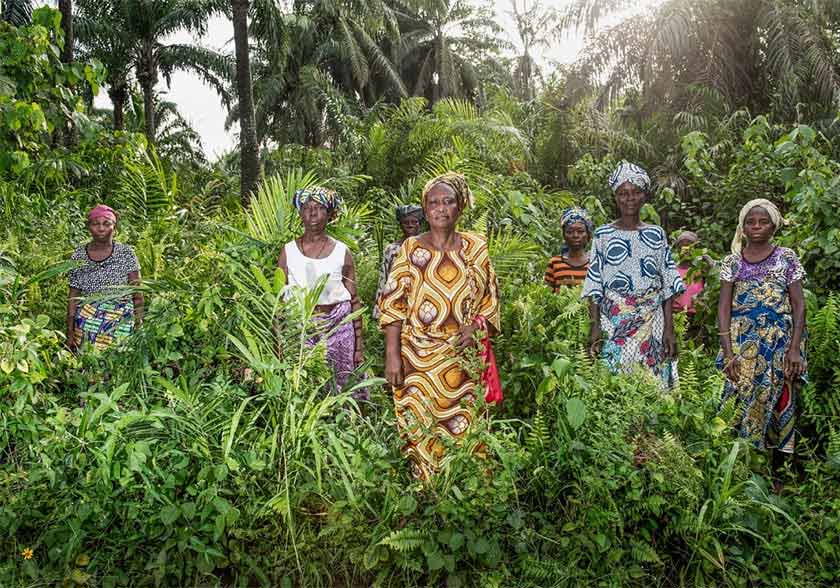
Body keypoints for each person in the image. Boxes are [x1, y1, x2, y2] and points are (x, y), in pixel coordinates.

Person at [379, 172, 500, 481]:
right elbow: (393, 304)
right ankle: (427, 492)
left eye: (448, 201)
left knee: (466, 428)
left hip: (464, 358)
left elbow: (490, 299)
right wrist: (392, 354)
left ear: (460, 206)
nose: (440, 208)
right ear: (425, 207)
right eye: (433, 202)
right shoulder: (409, 249)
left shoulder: (476, 247)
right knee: (420, 426)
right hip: (417, 357)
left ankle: (464, 491)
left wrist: (475, 327)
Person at [717, 199, 806, 491]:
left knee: (782, 401)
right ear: (742, 227)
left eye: (763, 222)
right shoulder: (733, 261)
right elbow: (724, 308)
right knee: (739, 401)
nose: (756, 227)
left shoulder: (786, 258)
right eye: (750, 222)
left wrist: (794, 349)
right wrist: (728, 352)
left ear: (774, 225)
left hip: (780, 344)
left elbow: (798, 305)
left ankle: (780, 475)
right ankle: (741, 468)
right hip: (744, 345)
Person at [582, 162, 685, 389]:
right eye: (623, 193)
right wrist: (595, 325)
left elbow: (667, 283)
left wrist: (669, 329)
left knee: (654, 381)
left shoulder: (656, 234)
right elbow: (594, 284)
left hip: (653, 319)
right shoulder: (602, 235)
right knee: (615, 380)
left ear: (644, 196)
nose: (630, 199)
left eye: (636, 192)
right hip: (614, 320)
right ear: (616, 197)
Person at [277, 187, 365, 398]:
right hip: (300, 328)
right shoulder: (288, 251)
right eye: (307, 208)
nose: (312, 213)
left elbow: (354, 299)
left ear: (329, 214)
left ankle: (347, 426)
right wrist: (279, 342)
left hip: (339, 326)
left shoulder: (342, 252)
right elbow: (279, 301)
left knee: (344, 385)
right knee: (304, 388)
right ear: (300, 214)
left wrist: (359, 347)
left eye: (318, 208)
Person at [67, 204, 143, 352]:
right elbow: (73, 296)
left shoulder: (126, 253)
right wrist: (69, 332)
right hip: (88, 315)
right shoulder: (79, 255)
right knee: (88, 361)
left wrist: (139, 324)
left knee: (118, 359)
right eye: (96, 224)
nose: (101, 228)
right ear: (89, 227)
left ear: (114, 227)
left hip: (120, 315)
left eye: (107, 224)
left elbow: (137, 293)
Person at [373, 204, 424, 319]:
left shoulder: (428, 248)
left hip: (421, 305)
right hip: (396, 303)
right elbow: (383, 278)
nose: (410, 225)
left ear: (419, 224)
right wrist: (379, 309)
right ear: (400, 225)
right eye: (406, 222)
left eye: (414, 222)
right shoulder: (391, 250)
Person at [544, 207, 593, 290]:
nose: (575, 235)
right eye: (569, 232)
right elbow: (546, 296)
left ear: (588, 234)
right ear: (564, 235)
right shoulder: (555, 263)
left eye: (580, 231)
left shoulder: (596, 263)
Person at [671, 231, 706, 316]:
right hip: (676, 316)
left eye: (689, 246)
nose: (685, 249)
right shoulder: (671, 271)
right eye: (682, 246)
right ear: (678, 250)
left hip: (697, 317)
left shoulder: (702, 269)